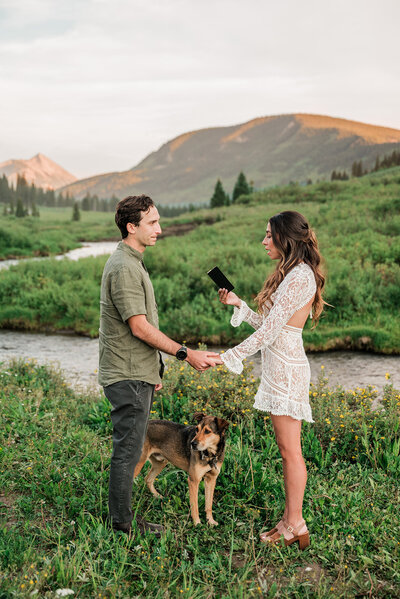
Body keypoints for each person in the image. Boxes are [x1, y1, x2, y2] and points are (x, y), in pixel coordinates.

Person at [99, 195, 222, 536]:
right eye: (152, 223)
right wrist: (186, 354)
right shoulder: (124, 267)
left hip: (137, 373)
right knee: (128, 450)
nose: (160, 229)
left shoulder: (133, 261)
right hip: (126, 375)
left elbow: (139, 328)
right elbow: (139, 327)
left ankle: (120, 516)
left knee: (130, 445)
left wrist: (154, 371)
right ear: (131, 226)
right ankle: (122, 523)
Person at [218, 210, 325, 549]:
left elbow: (270, 332)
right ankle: (290, 520)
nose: (264, 241)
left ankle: (295, 524)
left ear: (285, 238)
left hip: (288, 372)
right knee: (286, 449)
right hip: (279, 368)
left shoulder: (300, 277)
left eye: (269, 235)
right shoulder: (292, 273)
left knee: (291, 452)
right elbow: (268, 327)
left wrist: (229, 356)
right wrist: (239, 305)